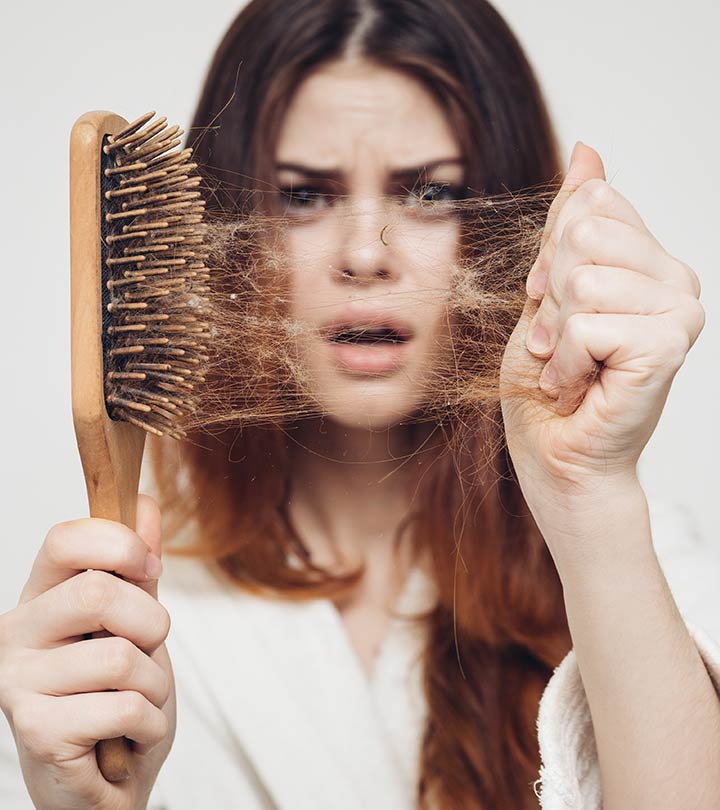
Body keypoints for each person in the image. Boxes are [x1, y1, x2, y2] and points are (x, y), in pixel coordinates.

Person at [2, 1, 719, 808]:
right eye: (306, 197)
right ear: (215, 230)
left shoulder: (639, 572)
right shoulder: (124, 636)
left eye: (431, 193)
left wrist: (588, 493)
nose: (365, 255)